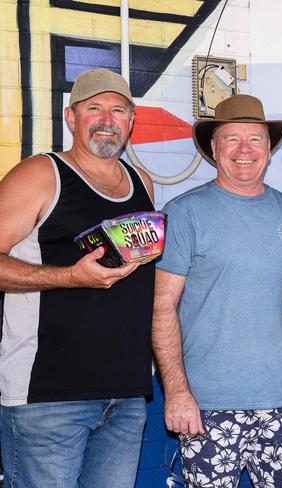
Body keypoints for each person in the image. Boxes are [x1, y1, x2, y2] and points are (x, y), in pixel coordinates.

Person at [152, 94, 282, 487]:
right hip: (208, 406)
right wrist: (177, 392)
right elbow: (162, 307)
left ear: (269, 147)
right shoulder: (185, 212)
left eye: (255, 139)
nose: (244, 150)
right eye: (231, 139)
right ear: (214, 149)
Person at [0, 68, 155, 487]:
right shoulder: (39, 174)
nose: (107, 120)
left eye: (118, 110)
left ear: (131, 120)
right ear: (71, 118)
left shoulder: (141, 182)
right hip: (48, 397)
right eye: (94, 109)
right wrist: (70, 277)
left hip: (125, 394)